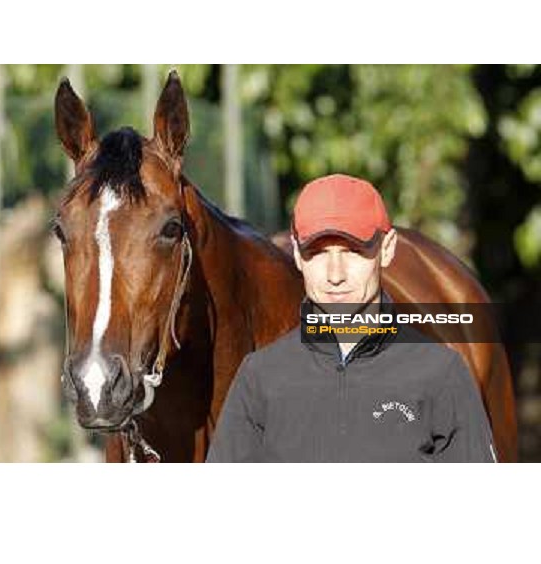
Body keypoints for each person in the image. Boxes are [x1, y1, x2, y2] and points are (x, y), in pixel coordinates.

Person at [206, 173, 497, 463]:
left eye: (353, 252)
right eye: (317, 253)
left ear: (387, 249)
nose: (335, 275)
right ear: (296, 254)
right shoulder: (258, 378)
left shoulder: (442, 373)